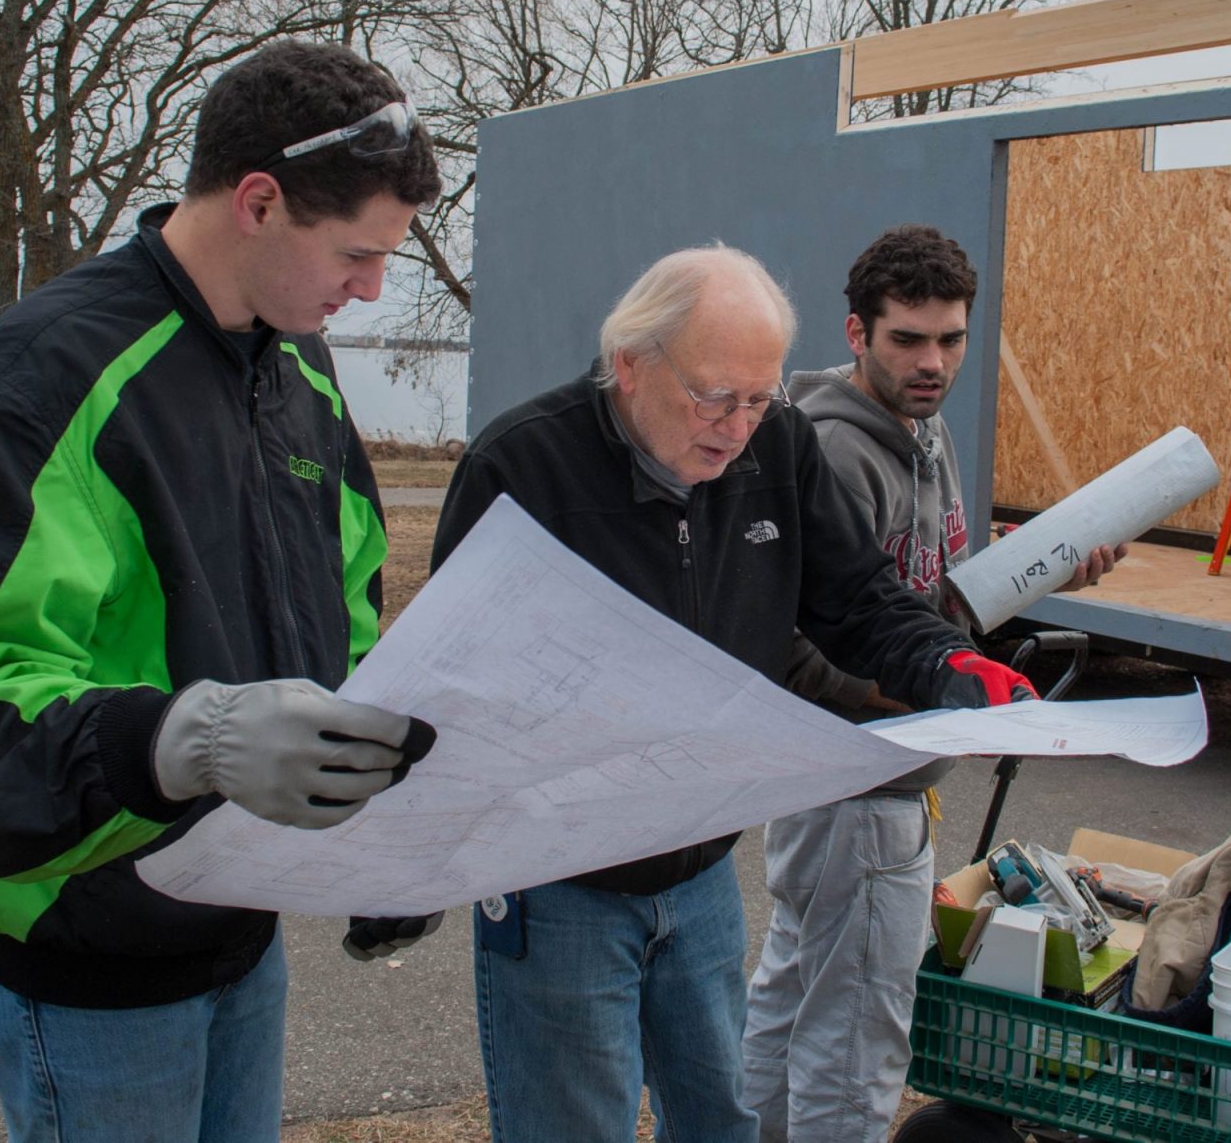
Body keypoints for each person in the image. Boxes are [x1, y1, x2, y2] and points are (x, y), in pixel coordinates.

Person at [0, 40, 446, 1142]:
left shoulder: (296, 367)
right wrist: (184, 739)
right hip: (86, 963)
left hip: (235, 934)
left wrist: (381, 824)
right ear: (258, 202)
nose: (370, 289)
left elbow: (346, 619)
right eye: (357, 255)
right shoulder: (47, 375)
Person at [432, 243, 1053, 1143]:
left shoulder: (778, 444)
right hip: (561, 877)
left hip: (698, 866)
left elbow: (858, 597)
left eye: (760, 398)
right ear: (630, 364)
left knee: (725, 1117)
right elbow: (449, 686)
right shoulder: (524, 468)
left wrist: (949, 667)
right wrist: (414, 862)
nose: (737, 425)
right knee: (575, 1124)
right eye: (715, 396)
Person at [742, 225, 1120, 1142]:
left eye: (950, 338)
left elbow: (926, 598)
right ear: (855, 333)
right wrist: (933, 707)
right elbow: (806, 640)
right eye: (907, 338)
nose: (933, 361)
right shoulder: (838, 450)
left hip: (876, 776)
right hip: (861, 779)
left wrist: (1043, 569)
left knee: (795, 995)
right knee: (859, 1036)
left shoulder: (923, 428)